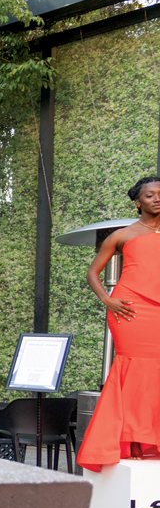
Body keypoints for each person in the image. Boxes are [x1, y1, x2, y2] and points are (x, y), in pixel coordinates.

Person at [77, 175, 160, 471]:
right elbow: (92, 273)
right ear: (139, 202)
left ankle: (153, 437)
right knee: (135, 370)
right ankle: (133, 439)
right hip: (131, 310)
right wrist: (108, 300)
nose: (157, 198)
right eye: (151, 195)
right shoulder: (122, 235)